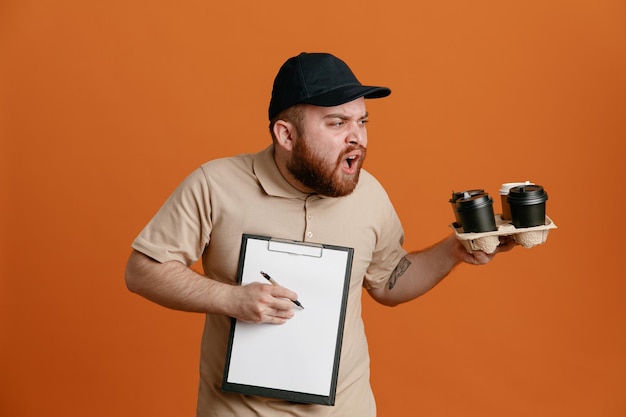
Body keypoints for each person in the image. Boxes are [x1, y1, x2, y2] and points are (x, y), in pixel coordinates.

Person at [125, 52, 515, 417]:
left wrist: (453, 250)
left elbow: (388, 283)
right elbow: (142, 270)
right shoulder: (214, 185)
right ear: (286, 134)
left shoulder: (369, 194)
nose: (357, 137)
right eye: (337, 123)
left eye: (362, 122)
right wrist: (232, 298)